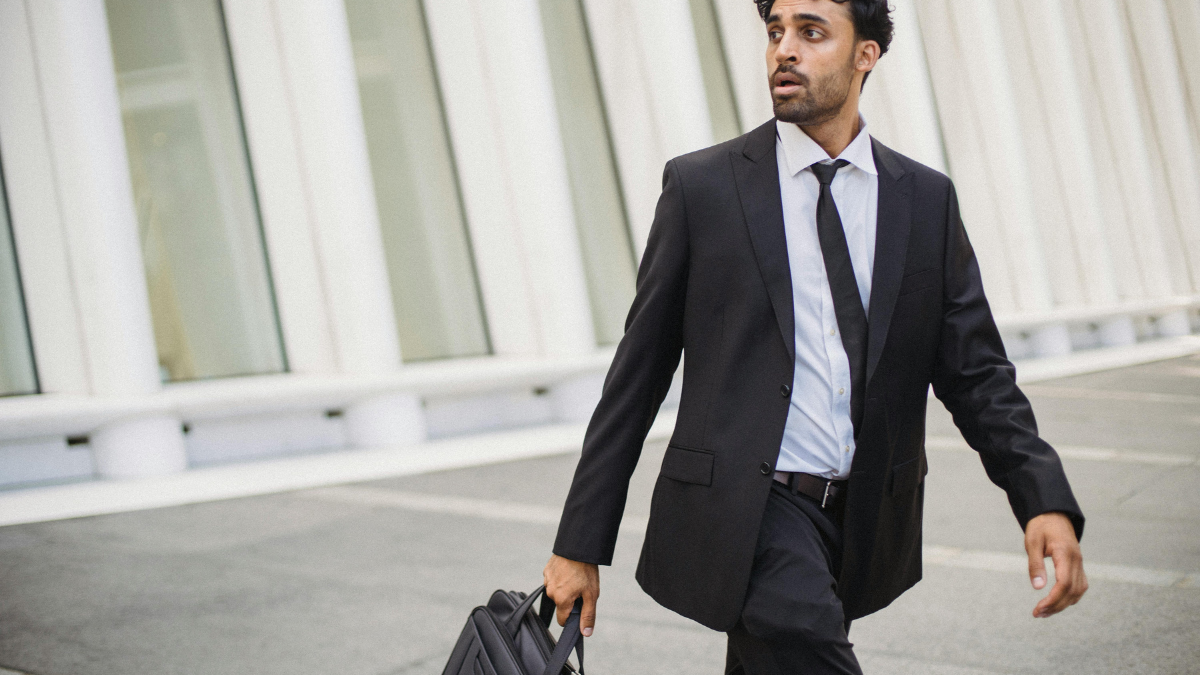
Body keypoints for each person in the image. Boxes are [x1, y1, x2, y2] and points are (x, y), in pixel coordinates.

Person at [543, 0, 1089, 672]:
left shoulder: (923, 201)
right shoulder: (703, 188)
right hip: (746, 513)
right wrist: (579, 542)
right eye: (775, 33)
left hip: (860, 520)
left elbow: (977, 374)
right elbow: (638, 373)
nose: (784, 50)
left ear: (867, 54)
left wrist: (1042, 500)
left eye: (810, 32)